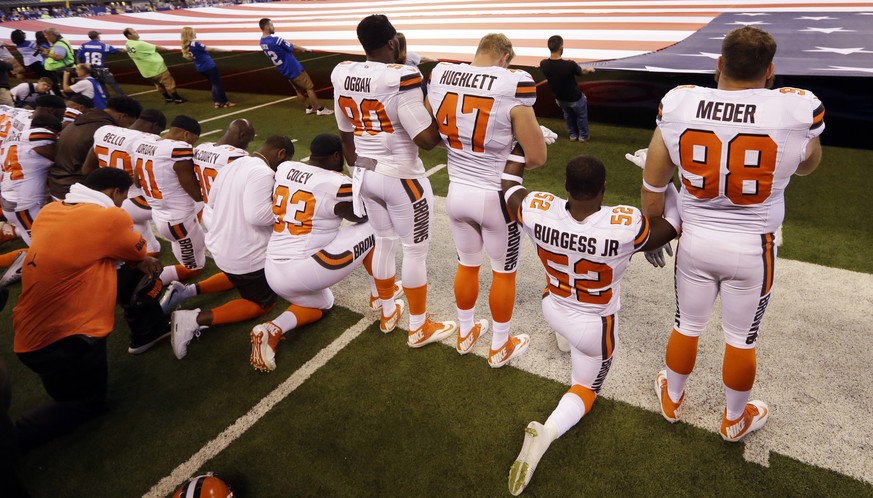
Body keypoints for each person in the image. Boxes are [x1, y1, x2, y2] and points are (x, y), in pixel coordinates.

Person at [642, 26, 824, 442]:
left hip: (695, 240)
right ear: (771, 71)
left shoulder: (680, 101)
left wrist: (654, 226)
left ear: (719, 65)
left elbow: (655, 182)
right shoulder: (796, 108)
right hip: (753, 248)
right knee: (742, 338)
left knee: (686, 324)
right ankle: (734, 419)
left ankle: (672, 397)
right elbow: (807, 165)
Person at [501, 155, 679, 495]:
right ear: (604, 188)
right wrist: (663, 181)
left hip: (552, 306)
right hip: (593, 326)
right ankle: (547, 433)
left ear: (566, 187)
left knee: (556, 285)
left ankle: (564, 338)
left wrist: (519, 151)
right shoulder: (624, 223)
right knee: (585, 388)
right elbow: (673, 222)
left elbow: (508, 185)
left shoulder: (539, 209)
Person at [12, 168, 164, 453]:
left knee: (70, 389)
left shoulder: (50, 210)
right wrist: (140, 260)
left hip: (29, 333)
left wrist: (135, 260)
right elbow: (135, 250)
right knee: (85, 405)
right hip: (64, 340)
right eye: (121, 198)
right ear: (115, 193)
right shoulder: (109, 216)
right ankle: (11, 440)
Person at [331, 14, 455, 348]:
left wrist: (360, 169)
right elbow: (426, 140)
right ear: (391, 42)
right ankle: (418, 326)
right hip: (400, 177)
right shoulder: (402, 76)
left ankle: (387, 310)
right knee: (415, 252)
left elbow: (345, 135)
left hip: (364, 172)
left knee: (383, 241)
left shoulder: (343, 73)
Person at [427, 33, 547, 367]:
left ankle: (465, 333)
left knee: (467, 264)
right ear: (505, 56)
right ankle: (499, 345)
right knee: (503, 273)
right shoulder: (513, 84)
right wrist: (518, 144)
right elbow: (537, 157)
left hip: (456, 191)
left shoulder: (441, 75)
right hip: (496, 197)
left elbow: (433, 132)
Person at [250, 134, 380, 372]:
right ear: (336, 156)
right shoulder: (336, 182)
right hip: (306, 268)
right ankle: (381, 294)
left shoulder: (286, 168)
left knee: (324, 302)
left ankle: (272, 329)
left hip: (274, 270)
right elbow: (362, 214)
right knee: (376, 226)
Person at [169, 134, 293, 361]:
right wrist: (284, 208)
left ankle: (187, 291)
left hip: (221, 245)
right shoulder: (263, 172)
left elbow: (211, 203)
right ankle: (194, 319)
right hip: (244, 254)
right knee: (261, 303)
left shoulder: (232, 165)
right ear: (281, 153)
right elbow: (257, 216)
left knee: (237, 275)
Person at [159, 119, 255, 315]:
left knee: (236, 265)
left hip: (208, 213)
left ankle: (186, 291)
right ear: (242, 135)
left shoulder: (202, 148)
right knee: (248, 268)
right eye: (248, 140)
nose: (248, 145)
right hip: (230, 218)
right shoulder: (239, 157)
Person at [81, 108, 168, 256]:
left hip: (109, 197)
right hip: (133, 199)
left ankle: (147, 251)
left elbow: (87, 170)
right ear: (155, 126)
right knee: (189, 202)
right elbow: (145, 178)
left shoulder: (104, 131)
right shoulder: (147, 140)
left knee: (151, 248)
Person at [131, 115, 206, 285]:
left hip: (159, 213)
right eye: (193, 140)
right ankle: (145, 283)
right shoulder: (178, 150)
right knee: (194, 267)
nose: (192, 144)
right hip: (179, 221)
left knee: (182, 244)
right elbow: (197, 195)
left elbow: (137, 182)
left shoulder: (142, 143)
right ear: (186, 135)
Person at [48, 95, 142, 200]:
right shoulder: (104, 130)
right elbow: (87, 170)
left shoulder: (83, 119)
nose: (127, 128)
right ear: (123, 116)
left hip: (56, 184)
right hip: (74, 189)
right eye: (129, 123)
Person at [258, 18, 332, 115]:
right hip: (294, 67)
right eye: (272, 25)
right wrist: (305, 49)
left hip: (283, 69)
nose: (273, 27)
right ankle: (320, 109)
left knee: (298, 89)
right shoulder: (275, 40)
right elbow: (292, 46)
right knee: (309, 88)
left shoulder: (262, 42)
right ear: (267, 27)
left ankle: (308, 107)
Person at [539, 35, 595, 142]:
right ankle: (583, 136)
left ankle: (573, 135)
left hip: (560, 98)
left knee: (568, 116)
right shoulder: (570, 65)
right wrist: (590, 70)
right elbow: (581, 72)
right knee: (581, 116)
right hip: (575, 97)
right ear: (561, 48)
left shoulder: (544, 64)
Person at [122, 27, 185, 104]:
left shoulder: (128, 44)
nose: (137, 33)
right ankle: (177, 98)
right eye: (134, 32)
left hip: (146, 72)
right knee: (169, 83)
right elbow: (156, 48)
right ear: (129, 35)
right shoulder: (139, 44)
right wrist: (168, 49)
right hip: (157, 69)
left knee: (158, 85)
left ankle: (167, 98)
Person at [180, 27, 235, 109]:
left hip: (200, 68)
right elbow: (211, 49)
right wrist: (226, 50)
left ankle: (217, 102)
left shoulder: (186, 46)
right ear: (190, 34)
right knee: (217, 84)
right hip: (209, 66)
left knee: (214, 84)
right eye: (194, 32)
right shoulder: (196, 44)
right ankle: (225, 102)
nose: (195, 33)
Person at [76, 30, 126, 97]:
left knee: (102, 88)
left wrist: (79, 67)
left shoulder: (83, 46)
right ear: (97, 36)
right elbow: (118, 50)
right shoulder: (103, 46)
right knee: (114, 86)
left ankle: (108, 101)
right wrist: (126, 50)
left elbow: (78, 57)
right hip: (101, 71)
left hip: (90, 72)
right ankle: (124, 98)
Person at [39, 28, 75, 95]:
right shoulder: (61, 41)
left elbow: (59, 57)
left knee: (63, 86)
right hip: (62, 68)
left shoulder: (59, 44)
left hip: (61, 69)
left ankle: (62, 97)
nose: (45, 37)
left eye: (46, 35)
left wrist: (47, 54)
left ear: (52, 35)